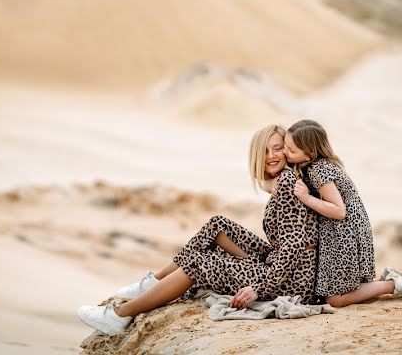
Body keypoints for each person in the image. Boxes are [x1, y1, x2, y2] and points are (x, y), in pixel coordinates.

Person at [76, 124, 319, 335]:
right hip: (285, 266)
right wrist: (268, 182)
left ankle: (119, 315)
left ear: (288, 149)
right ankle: (155, 281)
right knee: (218, 224)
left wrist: (258, 288)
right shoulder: (285, 178)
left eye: (278, 148)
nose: (272, 156)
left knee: (198, 263)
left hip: (289, 281)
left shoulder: (287, 182)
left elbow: (294, 245)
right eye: (265, 151)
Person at [283, 119, 402, 307]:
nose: (285, 152)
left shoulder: (319, 169)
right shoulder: (314, 165)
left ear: (309, 154)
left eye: (291, 150)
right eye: (285, 146)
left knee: (334, 299)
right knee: (340, 289)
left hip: (344, 233)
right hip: (343, 230)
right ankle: (387, 280)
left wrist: (307, 198)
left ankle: (392, 285)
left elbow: (339, 210)